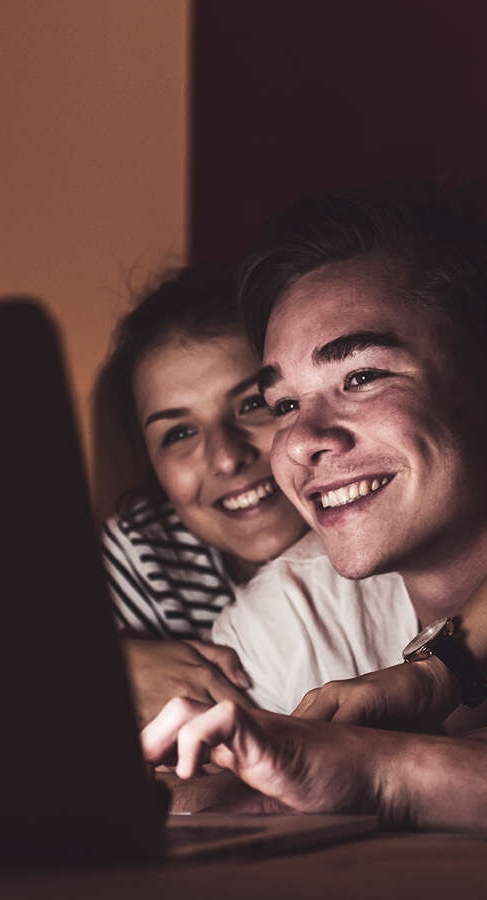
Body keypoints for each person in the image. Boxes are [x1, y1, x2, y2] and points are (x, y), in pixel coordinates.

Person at [140, 178, 487, 838]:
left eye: (360, 377)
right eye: (283, 405)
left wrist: (392, 772)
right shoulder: (287, 619)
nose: (302, 441)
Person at [97, 263, 405, 721]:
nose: (225, 457)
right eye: (178, 434)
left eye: (254, 405)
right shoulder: (147, 548)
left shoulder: (391, 517)